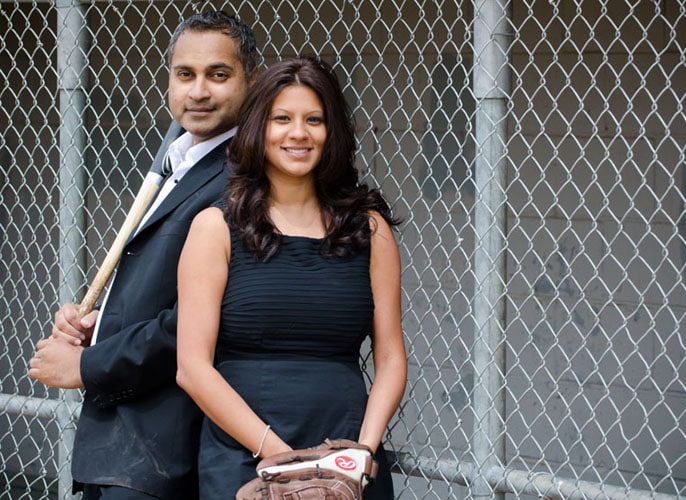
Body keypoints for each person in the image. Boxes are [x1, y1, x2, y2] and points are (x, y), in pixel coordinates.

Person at [28, 11, 258, 499]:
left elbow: (199, 322)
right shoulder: (182, 160)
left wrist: (87, 366)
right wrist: (104, 323)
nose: (198, 91)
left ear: (251, 81)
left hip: (163, 446)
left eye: (218, 75)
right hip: (121, 443)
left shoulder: (242, 182)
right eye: (185, 74)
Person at [175, 56, 408, 499]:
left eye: (313, 120)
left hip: (346, 459)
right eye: (282, 118)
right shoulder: (215, 228)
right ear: (258, 128)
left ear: (331, 131)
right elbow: (192, 368)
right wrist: (289, 465)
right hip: (247, 456)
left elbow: (392, 358)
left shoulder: (369, 228)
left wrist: (358, 455)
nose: (298, 133)